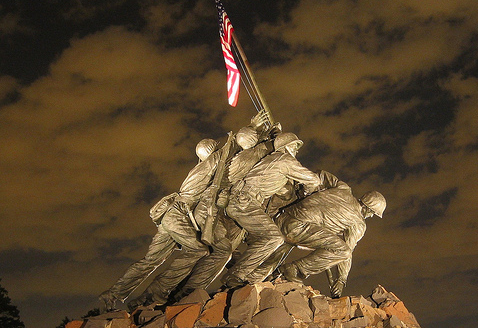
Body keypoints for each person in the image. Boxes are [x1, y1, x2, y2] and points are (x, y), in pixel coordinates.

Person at [99, 112, 269, 310]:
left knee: (150, 260)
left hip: (170, 215)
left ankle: (113, 294)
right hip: (176, 214)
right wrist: (252, 127)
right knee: (199, 250)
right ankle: (158, 291)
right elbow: (225, 152)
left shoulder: (197, 169)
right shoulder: (207, 167)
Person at [245, 171, 386, 298]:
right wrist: (341, 280)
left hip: (283, 218)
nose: (372, 217)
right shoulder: (358, 223)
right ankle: (294, 269)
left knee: (269, 264)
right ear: (368, 209)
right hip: (298, 229)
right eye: (373, 213)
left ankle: (246, 282)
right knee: (342, 251)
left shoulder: (343, 188)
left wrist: (308, 192)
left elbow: (320, 175)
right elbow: (346, 254)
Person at [221, 132, 322, 288]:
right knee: (273, 237)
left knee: (261, 241)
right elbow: (314, 180)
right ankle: (235, 275)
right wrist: (306, 193)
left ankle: (249, 276)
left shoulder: (271, 159)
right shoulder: (285, 160)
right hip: (245, 201)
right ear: (285, 147)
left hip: (244, 200)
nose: (296, 150)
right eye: (295, 146)